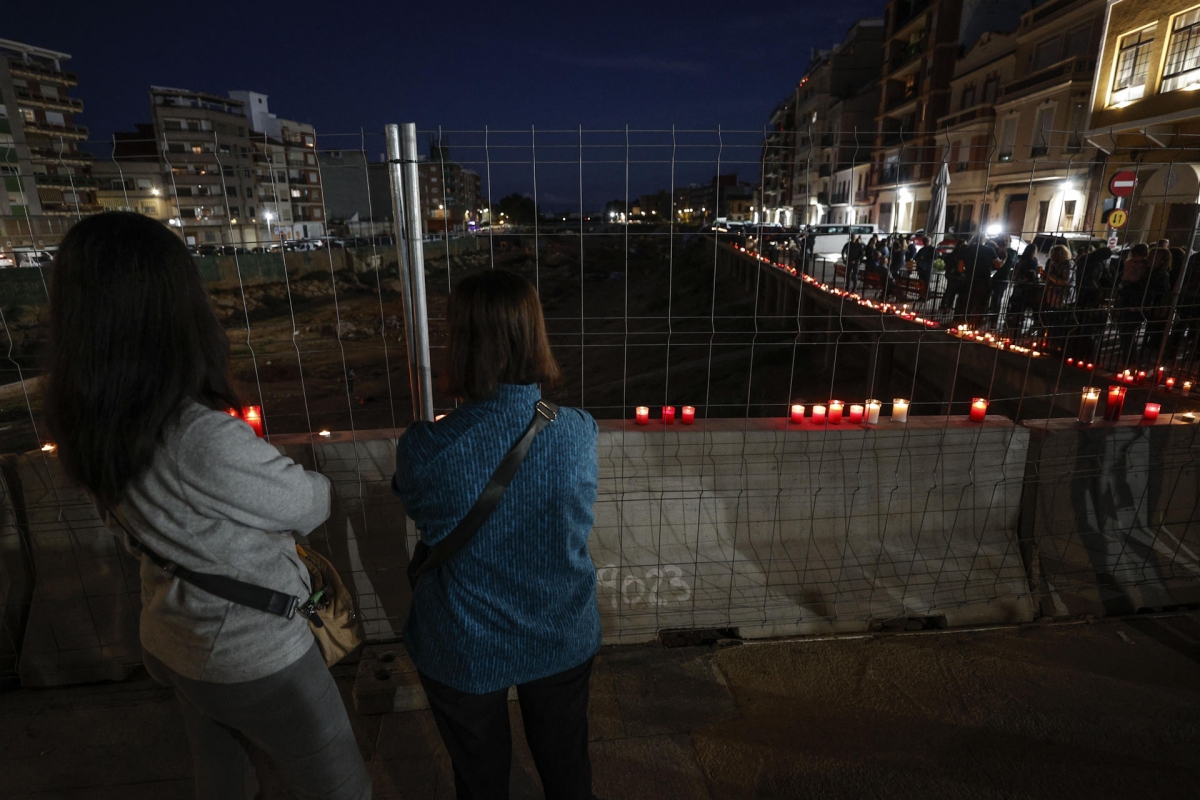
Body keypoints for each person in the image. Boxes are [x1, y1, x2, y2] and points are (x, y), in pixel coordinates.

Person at [43, 213, 370, 800]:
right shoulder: (198, 436)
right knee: (338, 785)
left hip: (171, 636)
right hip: (254, 653)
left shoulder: (90, 422)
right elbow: (310, 503)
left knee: (224, 780)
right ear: (171, 309)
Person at [392, 269, 601, 799]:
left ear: (461, 344)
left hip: (465, 639)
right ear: (535, 336)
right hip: (560, 628)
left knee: (480, 778)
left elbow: (420, 508)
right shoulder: (578, 430)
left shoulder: (426, 447)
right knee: (568, 766)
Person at [989, 240, 1015, 329]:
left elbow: (1010, 261)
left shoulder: (1012, 252)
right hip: (994, 277)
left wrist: (1005, 254)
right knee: (991, 298)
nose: (1004, 242)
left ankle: (994, 320)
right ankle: (988, 315)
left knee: (997, 299)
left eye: (1006, 240)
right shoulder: (996, 250)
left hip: (1003, 279)